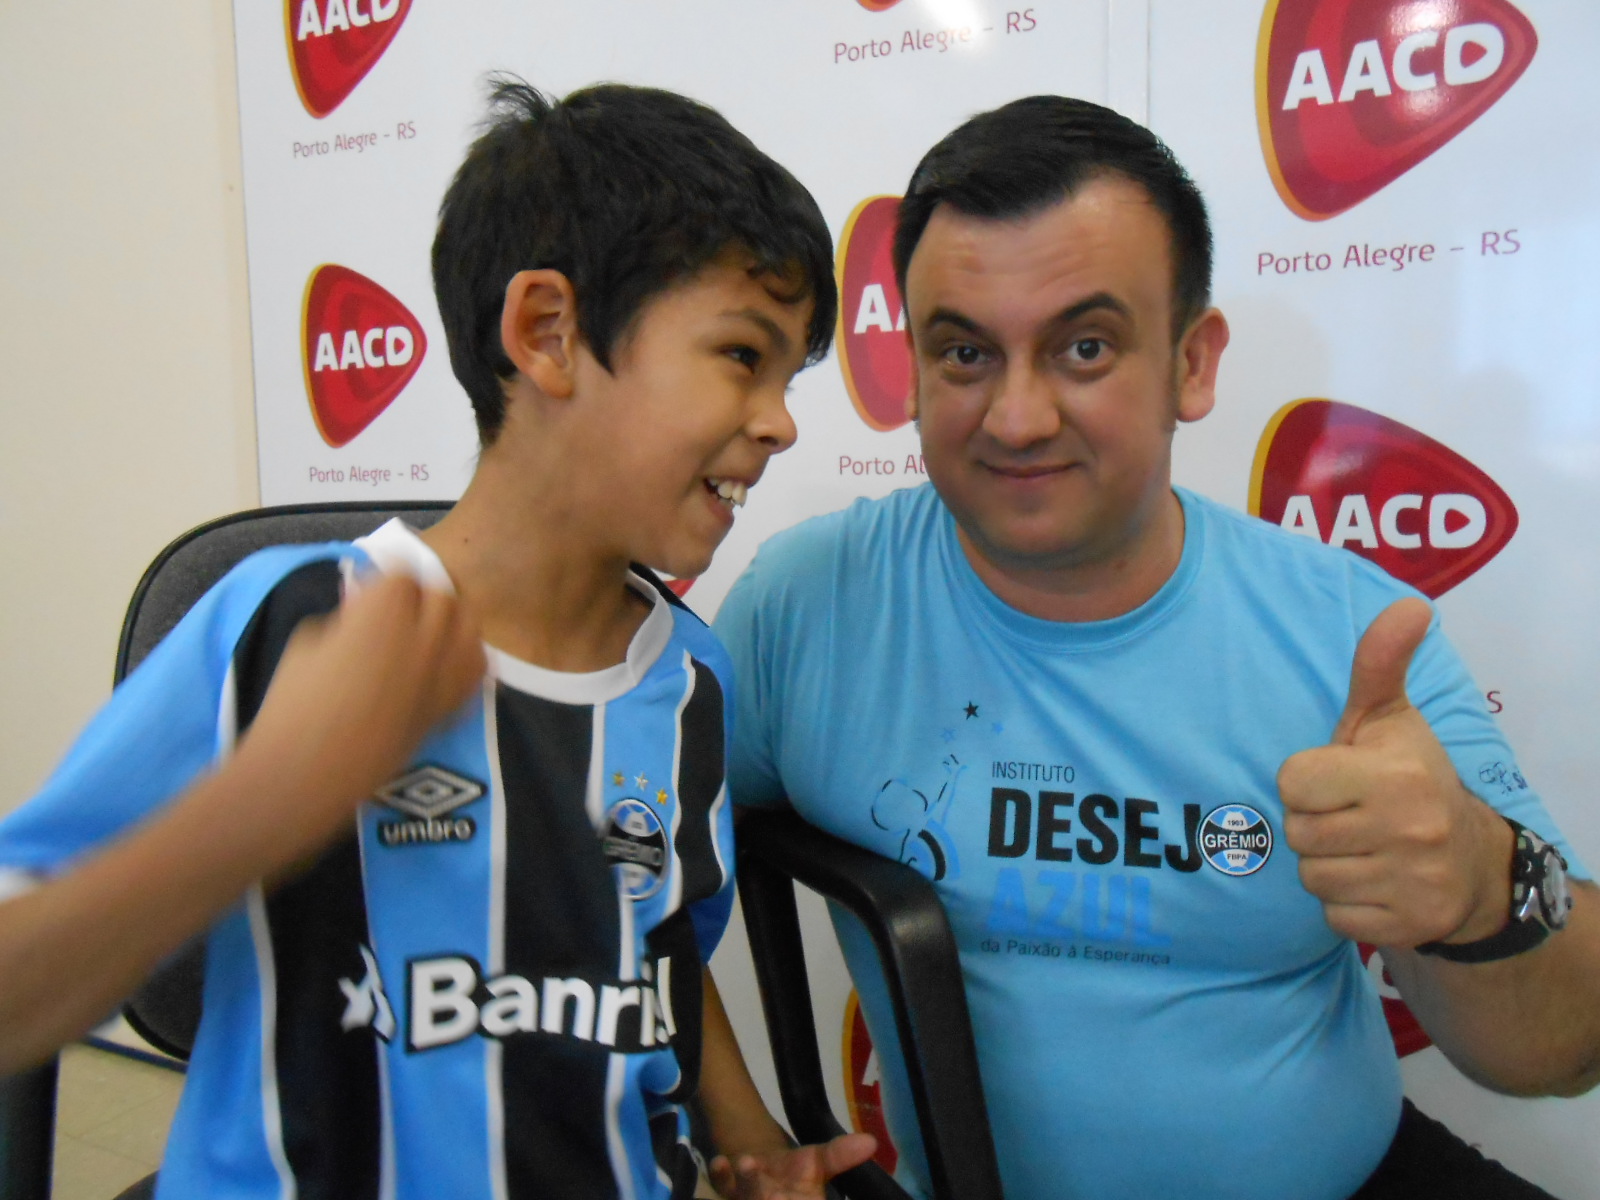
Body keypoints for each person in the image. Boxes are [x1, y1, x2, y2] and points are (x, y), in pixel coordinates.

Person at [713, 95, 1600, 1199]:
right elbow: (621, 868)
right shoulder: (807, 607)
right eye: (963, 353)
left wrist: (1480, 887)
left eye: (1084, 346)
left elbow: (1562, 1054)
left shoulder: (1351, 638)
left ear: (1191, 361)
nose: (1018, 416)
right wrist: (743, 1133)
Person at [0, 80, 871, 1199]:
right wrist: (267, 798)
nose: (782, 420)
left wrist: (751, 1143)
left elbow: (650, 953)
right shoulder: (283, 627)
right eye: (743, 355)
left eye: (791, 372)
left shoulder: (696, 679)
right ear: (547, 333)